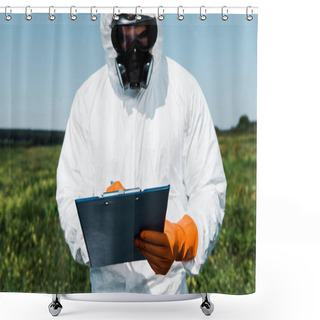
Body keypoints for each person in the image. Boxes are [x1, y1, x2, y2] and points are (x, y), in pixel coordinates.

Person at [56, 13, 226, 294]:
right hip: (106, 295)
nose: (134, 49)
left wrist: (184, 236)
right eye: (124, 35)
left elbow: (208, 185)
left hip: (167, 292)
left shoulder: (185, 89)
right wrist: (98, 231)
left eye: (143, 33)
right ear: (109, 37)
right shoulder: (87, 99)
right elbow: (69, 191)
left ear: (156, 32)